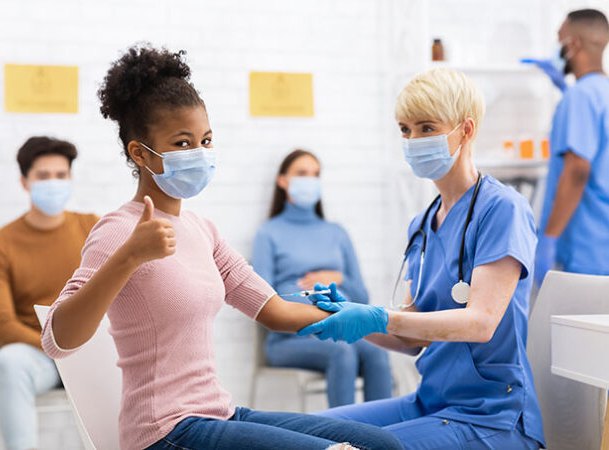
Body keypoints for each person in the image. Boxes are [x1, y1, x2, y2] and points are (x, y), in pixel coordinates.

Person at [40, 44, 402, 450]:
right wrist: (129, 257)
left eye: (205, 140)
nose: (199, 153)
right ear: (140, 153)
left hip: (218, 414)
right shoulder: (119, 231)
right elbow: (58, 338)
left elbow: (274, 310)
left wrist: (361, 315)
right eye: (182, 143)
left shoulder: (202, 230)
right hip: (166, 432)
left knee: (379, 443)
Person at [298, 68, 545, 449]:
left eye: (427, 127)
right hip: (430, 403)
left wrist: (380, 316)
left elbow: (481, 323)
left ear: (466, 130)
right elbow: (411, 337)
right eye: (405, 129)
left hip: (491, 417)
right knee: (299, 434)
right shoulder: (423, 224)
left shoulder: (502, 209)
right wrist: (349, 315)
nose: (413, 140)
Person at [0, 136, 99, 450]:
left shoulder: (92, 228)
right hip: (39, 356)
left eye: (61, 175)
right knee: (8, 361)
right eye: (43, 176)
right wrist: (58, 347)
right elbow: (2, 325)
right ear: (24, 182)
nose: (53, 183)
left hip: (91, 352)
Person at [253, 149, 392, 407]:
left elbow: (362, 297)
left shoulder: (337, 233)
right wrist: (308, 301)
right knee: (341, 352)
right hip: (289, 340)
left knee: (378, 354)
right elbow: (259, 299)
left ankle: (381, 437)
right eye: (302, 173)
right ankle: (345, 440)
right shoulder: (268, 233)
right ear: (283, 180)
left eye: (316, 174)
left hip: (340, 331)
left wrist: (338, 278)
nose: (310, 180)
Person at [526, 9, 609, 284]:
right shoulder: (600, 92)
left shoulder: (581, 96)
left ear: (573, 45)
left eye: (560, 40)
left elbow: (577, 171)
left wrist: (549, 238)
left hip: (585, 251)